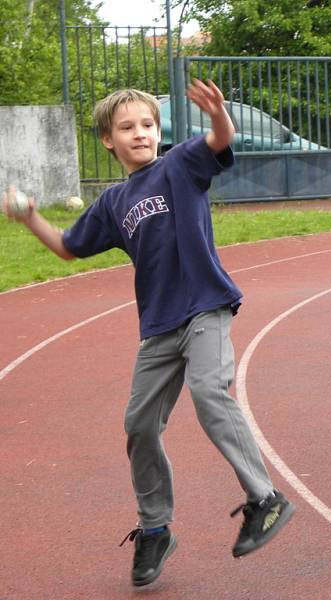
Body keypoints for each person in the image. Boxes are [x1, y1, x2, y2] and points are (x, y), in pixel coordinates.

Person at [1, 81, 295, 586]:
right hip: (159, 326)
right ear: (108, 141)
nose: (140, 134)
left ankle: (265, 498)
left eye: (147, 124)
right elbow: (69, 248)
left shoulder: (180, 165)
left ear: (159, 131)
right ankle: (155, 528)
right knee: (138, 424)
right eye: (126, 127)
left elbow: (219, 142)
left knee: (208, 392)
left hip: (205, 307)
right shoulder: (114, 202)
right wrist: (29, 217)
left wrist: (220, 114)